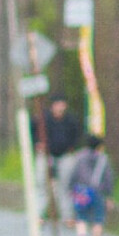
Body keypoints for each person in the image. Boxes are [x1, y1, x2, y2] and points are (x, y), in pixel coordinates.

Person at [32, 95, 81, 225]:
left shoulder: (70, 120)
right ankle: (38, 215)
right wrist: (37, 144)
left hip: (64, 155)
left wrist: (72, 147)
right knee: (42, 184)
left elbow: (76, 134)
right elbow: (33, 130)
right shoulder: (43, 118)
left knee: (65, 187)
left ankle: (67, 216)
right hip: (46, 154)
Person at [69, 134, 115, 236]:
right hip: (98, 192)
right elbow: (108, 178)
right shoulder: (103, 159)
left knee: (81, 217)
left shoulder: (79, 157)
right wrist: (109, 196)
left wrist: (71, 189)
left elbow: (73, 174)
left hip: (82, 192)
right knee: (98, 220)